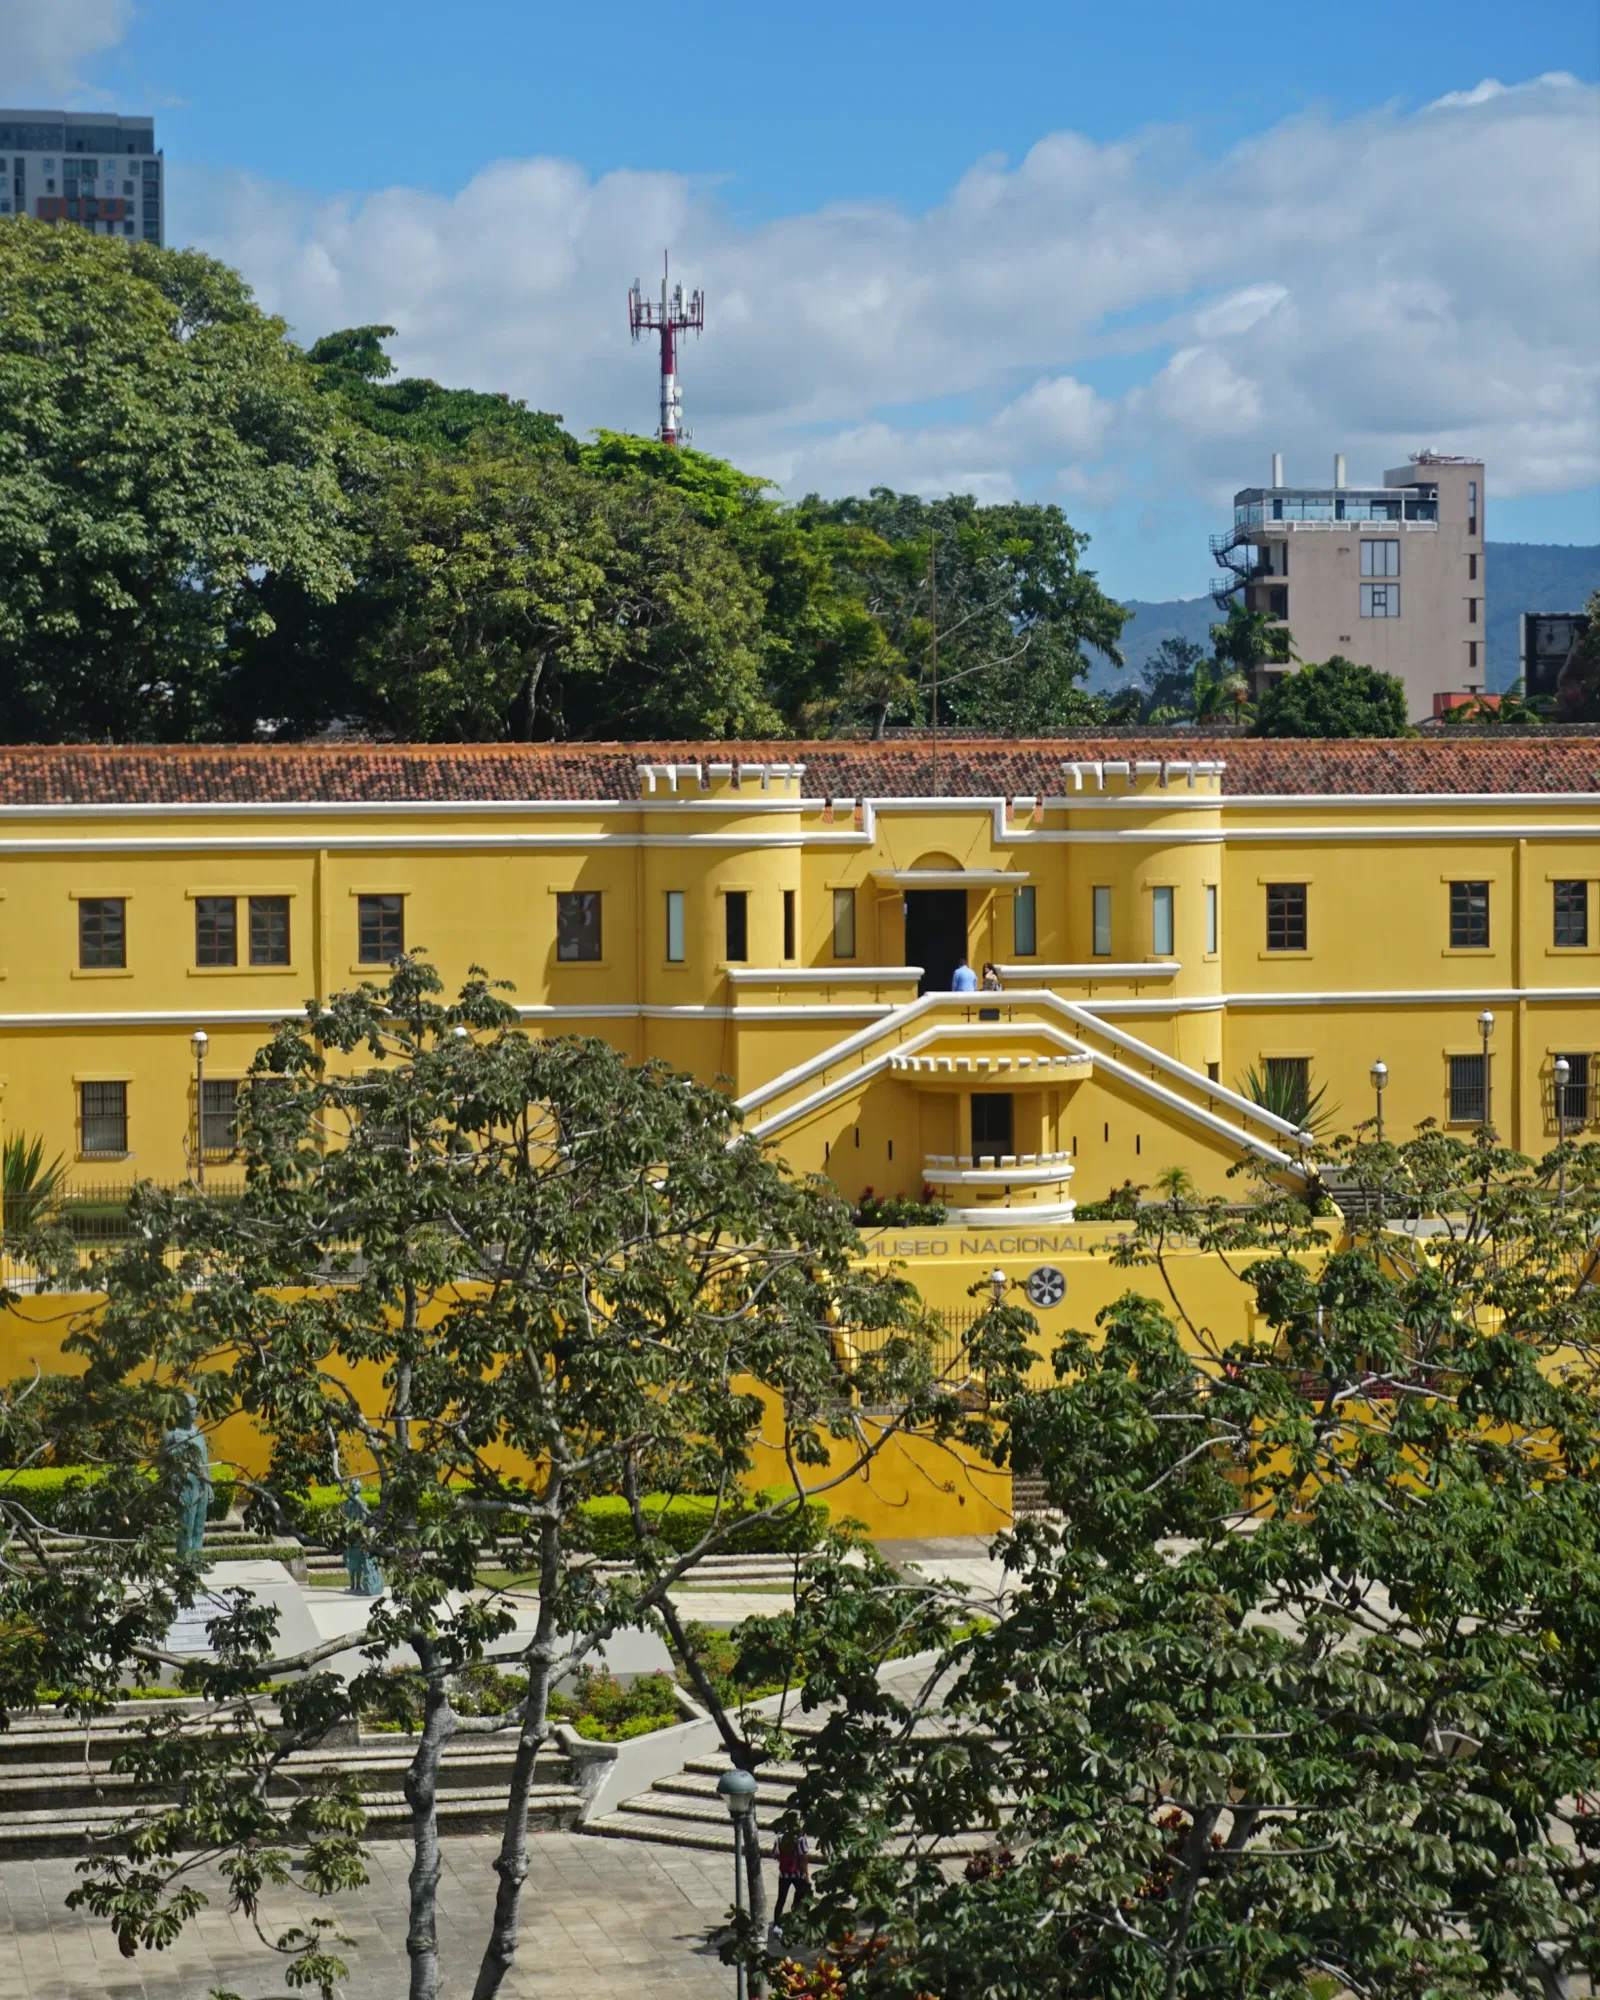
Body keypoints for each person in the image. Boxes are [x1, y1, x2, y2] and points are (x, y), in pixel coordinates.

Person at [161, 1392, 211, 1559]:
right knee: (186, 1528)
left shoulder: (199, 1433)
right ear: (182, 1411)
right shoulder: (171, 1435)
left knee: (198, 1527)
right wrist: (172, 1487)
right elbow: (163, 1465)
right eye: (192, 1409)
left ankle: (196, 1560)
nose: (196, 1413)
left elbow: (204, 1461)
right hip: (185, 1485)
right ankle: (184, 1562)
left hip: (201, 1484)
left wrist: (209, 1485)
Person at [773, 1817, 811, 1921]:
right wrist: (806, 1876)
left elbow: (776, 1855)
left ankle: (777, 1923)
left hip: (784, 1874)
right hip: (797, 1874)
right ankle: (796, 1917)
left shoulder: (779, 1837)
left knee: (781, 1899)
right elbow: (803, 1858)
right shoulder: (800, 1839)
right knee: (800, 1896)